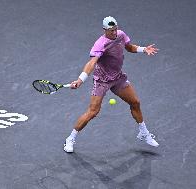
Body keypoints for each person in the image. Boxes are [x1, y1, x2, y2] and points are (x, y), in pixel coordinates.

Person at [64, 16, 159, 153]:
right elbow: (92, 63)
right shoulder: (100, 44)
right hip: (102, 81)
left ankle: (143, 133)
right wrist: (80, 79)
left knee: (135, 102)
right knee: (93, 112)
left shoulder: (121, 35)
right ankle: (70, 138)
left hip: (118, 78)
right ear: (104, 30)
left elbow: (129, 47)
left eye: (115, 29)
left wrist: (143, 49)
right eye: (111, 30)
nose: (114, 33)